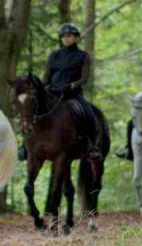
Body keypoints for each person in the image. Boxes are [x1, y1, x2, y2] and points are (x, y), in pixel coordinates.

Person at [41, 23, 102, 160]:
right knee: (34, 110)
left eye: (69, 36)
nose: (66, 39)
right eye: (64, 37)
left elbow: (84, 78)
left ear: (75, 37)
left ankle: (92, 146)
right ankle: (25, 145)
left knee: (88, 112)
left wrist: (71, 86)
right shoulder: (54, 55)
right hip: (53, 93)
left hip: (72, 94)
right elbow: (46, 76)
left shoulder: (83, 56)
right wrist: (46, 86)